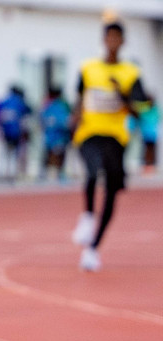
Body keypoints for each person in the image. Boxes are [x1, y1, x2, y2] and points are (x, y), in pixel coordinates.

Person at [70, 22, 149, 272]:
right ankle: (88, 216)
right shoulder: (88, 68)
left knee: (112, 192)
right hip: (89, 133)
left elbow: (141, 110)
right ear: (104, 40)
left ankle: (93, 248)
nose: (113, 42)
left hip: (116, 139)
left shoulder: (131, 73)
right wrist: (75, 119)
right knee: (93, 173)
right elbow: (79, 99)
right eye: (109, 37)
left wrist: (122, 94)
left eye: (117, 38)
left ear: (123, 41)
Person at [0, 85, 33, 183]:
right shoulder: (19, 102)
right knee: (16, 153)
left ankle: (4, 173)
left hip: (5, 131)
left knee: (6, 152)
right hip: (16, 131)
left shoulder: (4, 102)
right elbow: (29, 111)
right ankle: (13, 174)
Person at [41, 88, 72, 183]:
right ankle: (57, 175)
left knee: (51, 156)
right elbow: (66, 122)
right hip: (59, 137)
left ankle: (50, 175)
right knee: (58, 158)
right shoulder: (61, 106)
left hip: (49, 137)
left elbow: (41, 121)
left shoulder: (46, 106)